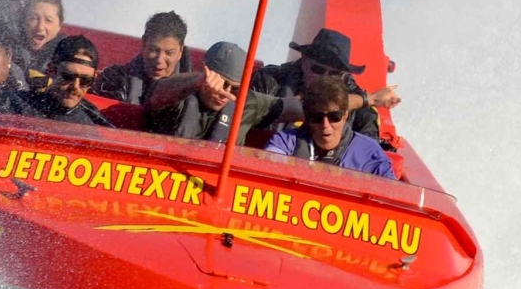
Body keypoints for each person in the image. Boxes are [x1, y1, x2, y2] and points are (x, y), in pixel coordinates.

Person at [250, 28, 399, 143]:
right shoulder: (268, 81)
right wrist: (368, 99)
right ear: (304, 62)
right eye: (318, 69)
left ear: (343, 76)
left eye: (334, 74)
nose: (325, 78)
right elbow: (249, 115)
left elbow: (369, 157)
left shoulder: (363, 112)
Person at [144, 41, 297, 143]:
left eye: (235, 88)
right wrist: (198, 80)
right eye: (222, 84)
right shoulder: (179, 94)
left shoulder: (248, 103)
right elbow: (158, 92)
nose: (226, 93)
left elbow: (299, 107)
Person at [264, 76, 397, 179]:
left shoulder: (370, 154)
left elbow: (392, 196)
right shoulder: (285, 142)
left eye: (334, 117)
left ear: (345, 115)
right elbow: (268, 171)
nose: (325, 125)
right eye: (317, 117)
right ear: (307, 116)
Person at [0, 34, 111, 127]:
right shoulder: (10, 106)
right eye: (67, 77)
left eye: (85, 81)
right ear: (51, 70)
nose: (75, 86)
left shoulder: (90, 128)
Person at [94, 11, 189, 105]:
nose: (159, 60)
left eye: (169, 53)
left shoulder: (192, 96)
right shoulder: (113, 80)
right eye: (154, 50)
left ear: (180, 51)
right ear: (143, 44)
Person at [16, 0, 64, 79]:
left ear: (59, 25)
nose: (40, 27)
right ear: (24, 21)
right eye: (34, 18)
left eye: (48, 20)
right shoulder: (10, 48)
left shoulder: (66, 54)